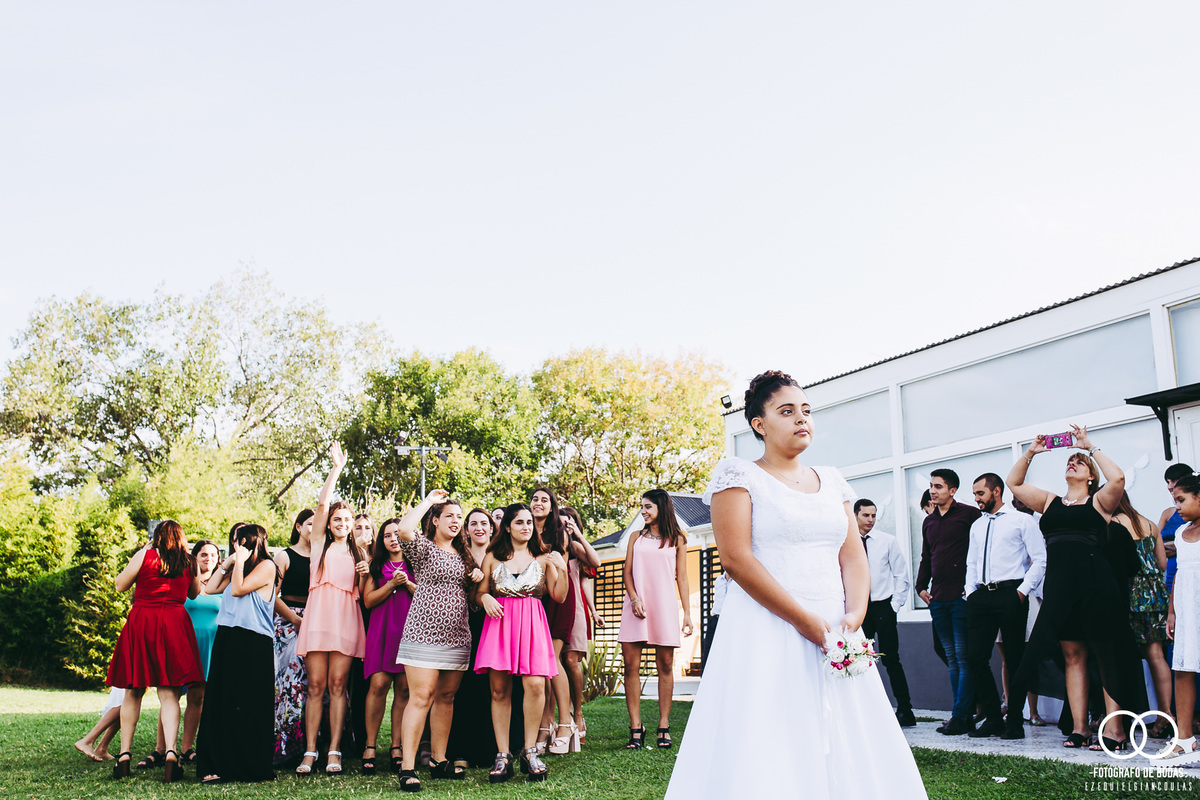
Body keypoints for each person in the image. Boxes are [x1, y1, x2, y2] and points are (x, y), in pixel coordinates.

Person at [664, 371, 926, 799]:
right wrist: (803, 620)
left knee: (848, 732)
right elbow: (736, 559)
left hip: (837, 626)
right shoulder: (738, 475)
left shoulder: (833, 480)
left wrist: (854, 615)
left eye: (806, 410)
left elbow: (852, 556)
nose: (801, 418)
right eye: (786, 411)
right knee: (770, 730)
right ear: (759, 424)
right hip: (767, 624)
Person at [1007, 426, 1145, 750]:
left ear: (1091, 476)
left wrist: (1089, 446)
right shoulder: (1050, 501)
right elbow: (1014, 484)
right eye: (1070, 460)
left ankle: (1115, 730)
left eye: (1080, 463)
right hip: (1059, 588)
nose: (1073, 463)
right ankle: (1080, 728)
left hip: (1096, 586)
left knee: (1106, 655)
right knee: (1072, 655)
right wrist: (1031, 452)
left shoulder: (1100, 502)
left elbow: (1118, 478)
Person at [393, 489, 484, 792]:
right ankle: (407, 767)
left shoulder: (465, 556)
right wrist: (429, 501)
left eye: (459, 517)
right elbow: (404, 529)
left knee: (446, 697)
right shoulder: (425, 548)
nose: (456, 521)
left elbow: (472, 598)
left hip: (457, 635)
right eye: (449, 516)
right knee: (421, 697)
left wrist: (476, 580)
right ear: (435, 520)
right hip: (423, 634)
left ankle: (439, 760)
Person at [474, 503, 568, 783]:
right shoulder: (492, 557)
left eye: (529, 522)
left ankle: (530, 751)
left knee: (536, 685)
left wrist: (562, 570)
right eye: (519, 522)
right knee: (499, 691)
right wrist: (485, 597)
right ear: (507, 527)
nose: (526, 527)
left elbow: (559, 596)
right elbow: (478, 593)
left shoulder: (544, 557)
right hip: (499, 625)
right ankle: (503, 755)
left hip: (532, 624)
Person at [106, 520, 203, 782]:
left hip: (142, 622)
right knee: (170, 694)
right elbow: (195, 593)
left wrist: (145, 552)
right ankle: (171, 754)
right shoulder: (189, 562)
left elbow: (120, 585)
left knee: (133, 690)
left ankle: (124, 756)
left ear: (157, 537)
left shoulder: (145, 555)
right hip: (174, 624)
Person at [294, 444, 369, 775]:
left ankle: (334, 750)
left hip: (345, 621)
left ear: (352, 525)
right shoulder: (319, 545)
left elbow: (365, 595)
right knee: (315, 687)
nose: (341, 522)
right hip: (318, 620)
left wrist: (365, 575)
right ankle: (310, 751)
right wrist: (336, 469)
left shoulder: (360, 555)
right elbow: (322, 504)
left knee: (338, 686)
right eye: (337, 519)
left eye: (347, 519)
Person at [963, 473, 1046, 739]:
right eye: (975, 494)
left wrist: (1022, 591)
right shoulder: (977, 525)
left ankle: (1015, 721)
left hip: (1011, 594)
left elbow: (1040, 559)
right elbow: (971, 562)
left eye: (980, 493)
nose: (976, 499)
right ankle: (993, 718)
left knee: (1014, 659)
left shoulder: (1022, 521)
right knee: (975, 657)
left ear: (996, 491)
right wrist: (970, 592)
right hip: (980, 597)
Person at [196, 524, 279, 784]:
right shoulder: (235, 568)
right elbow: (209, 588)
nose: (237, 546)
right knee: (221, 699)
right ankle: (216, 763)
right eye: (234, 542)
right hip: (227, 636)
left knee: (249, 703)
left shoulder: (267, 566)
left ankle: (246, 764)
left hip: (253, 640)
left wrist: (239, 563)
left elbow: (238, 589)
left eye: (241, 542)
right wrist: (228, 562)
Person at [619, 488, 694, 750]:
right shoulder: (635, 538)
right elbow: (627, 572)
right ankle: (635, 727)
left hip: (664, 607)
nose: (643, 511)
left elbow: (682, 577)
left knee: (665, 664)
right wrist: (634, 599)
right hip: (635, 606)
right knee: (631, 665)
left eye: (648, 506)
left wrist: (687, 613)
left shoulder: (678, 540)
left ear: (662, 507)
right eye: (642, 506)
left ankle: (664, 725)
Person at [915, 468, 982, 735]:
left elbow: (981, 551)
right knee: (952, 658)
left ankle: (961, 716)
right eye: (932, 486)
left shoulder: (969, 515)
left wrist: (973, 586)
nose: (933, 491)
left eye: (939, 486)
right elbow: (926, 556)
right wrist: (921, 587)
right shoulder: (929, 522)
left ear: (952, 490)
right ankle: (962, 714)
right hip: (938, 598)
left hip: (962, 597)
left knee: (963, 658)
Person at [1112, 490, 1172, 733]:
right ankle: (1166, 714)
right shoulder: (1149, 523)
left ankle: (1121, 718)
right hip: (1156, 594)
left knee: (1122, 656)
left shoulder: (1113, 523)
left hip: (1131, 593)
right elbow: (1162, 564)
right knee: (1157, 656)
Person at [855, 498, 916, 727]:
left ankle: (905, 710)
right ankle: (865, 712)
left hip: (883, 606)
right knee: (860, 661)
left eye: (874, 515)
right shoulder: (847, 543)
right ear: (855, 515)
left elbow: (902, 575)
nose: (871, 520)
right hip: (859, 608)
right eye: (866, 515)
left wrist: (894, 606)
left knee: (891, 659)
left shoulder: (887, 541)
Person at [360, 517, 414, 775]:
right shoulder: (376, 565)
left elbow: (426, 596)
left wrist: (408, 583)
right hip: (381, 631)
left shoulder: (416, 562)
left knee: (404, 688)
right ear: (381, 540)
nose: (394, 539)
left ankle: (396, 747)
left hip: (409, 631)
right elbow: (368, 601)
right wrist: (391, 584)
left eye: (397, 534)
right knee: (379, 684)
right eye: (388, 535)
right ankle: (370, 746)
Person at [448, 508, 500, 770]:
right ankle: (459, 749)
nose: (479, 528)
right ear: (466, 530)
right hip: (461, 624)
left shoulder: (501, 555)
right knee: (462, 686)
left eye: (484, 523)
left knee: (491, 687)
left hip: (494, 625)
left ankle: (490, 750)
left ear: (492, 528)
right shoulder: (458, 555)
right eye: (473, 524)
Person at [530, 487, 576, 754]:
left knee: (552, 659)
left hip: (558, 597)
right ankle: (545, 724)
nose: (538, 503)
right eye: (535, 499)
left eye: (544, 500)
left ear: (552, 506)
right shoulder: (525, 530)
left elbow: (560, 569)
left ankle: (566, 724)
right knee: (539, 664)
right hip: (534, 599)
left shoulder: (559, 533)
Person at [1161, 471, 1200, 761]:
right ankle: (1184, 738)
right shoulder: (1180, 533)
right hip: (1187, 609)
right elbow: (1179, 574)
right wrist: (1172, 612)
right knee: (1183, 669)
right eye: (1175, 501)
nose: (1177, 507)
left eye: (1182, 500)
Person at [272, 508, 313, 767]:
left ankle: (314, 744)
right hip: (289, 623)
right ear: (298, 527)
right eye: (309, 523)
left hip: (318, 621)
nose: (313, 528)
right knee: (290, 684)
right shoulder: (284, 556)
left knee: (316, 685)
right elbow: (271, 595)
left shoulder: (324, 555)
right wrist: (296, 620)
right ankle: (287, 746)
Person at [559, 507, 602, 743]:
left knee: (570, 660)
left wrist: (594, 612)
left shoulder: (577, 548)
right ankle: (560, 717)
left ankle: (578, 712)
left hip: (575, 607)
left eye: (568, 523)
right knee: (554, 663)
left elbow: (588, 578)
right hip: (552, 606)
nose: (563, 527)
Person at [180, 539, 223, 763]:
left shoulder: (225, 583)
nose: (209, 559)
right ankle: (165, 748)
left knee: (200, 697)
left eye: (213, 555)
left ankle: (190, 747)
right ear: (195, 557)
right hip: (186, 643)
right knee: (173, 696)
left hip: (212, 646)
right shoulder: (186, 580)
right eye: (204, 554)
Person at [1158, 463, 1195, 596]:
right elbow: (1156, 542)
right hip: (1170, 569)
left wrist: (1180, 546)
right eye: (1167, 482)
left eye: (1173, 481)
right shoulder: (1168, 513)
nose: (1169, 486)